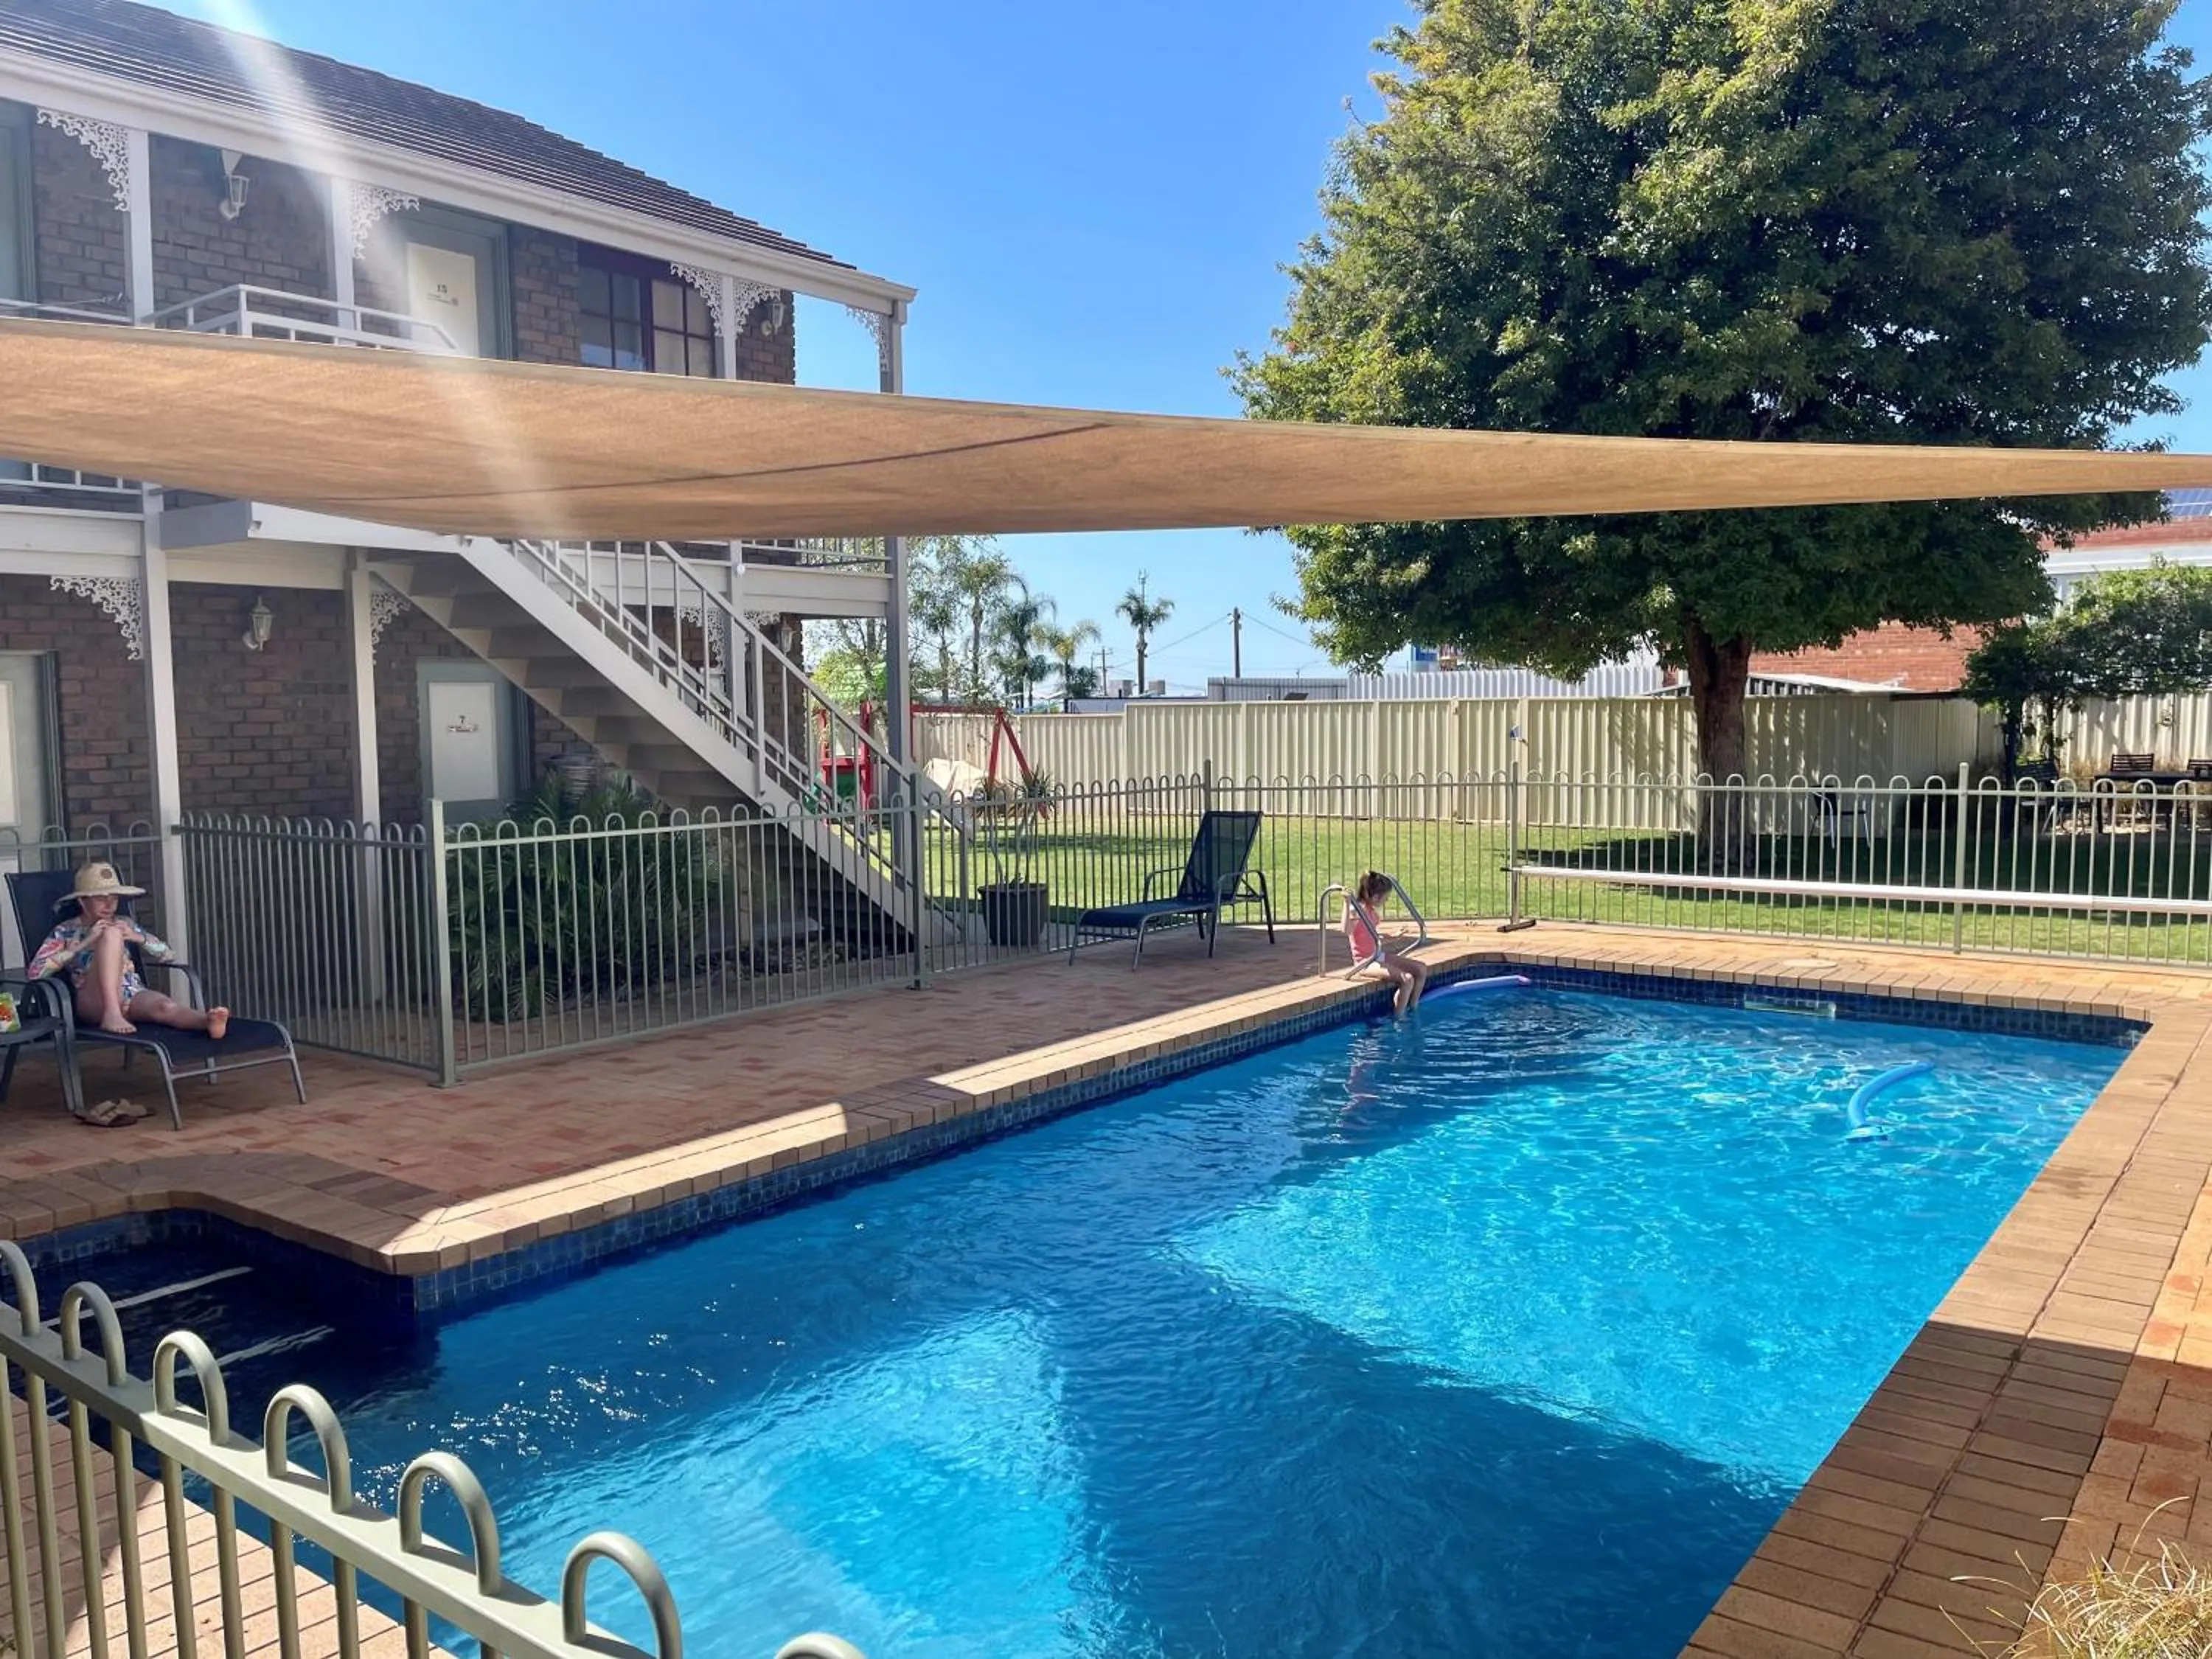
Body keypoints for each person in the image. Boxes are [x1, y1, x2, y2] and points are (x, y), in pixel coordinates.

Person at [29, 863, 228, 1040]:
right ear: (83, 901)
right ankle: (111, 1013)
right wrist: (83, 944)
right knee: (112, 934)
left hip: (132, 994)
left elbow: (168, 955)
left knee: (165, 1007)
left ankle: (207, 1022)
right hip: (92, 1000)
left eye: (114, 898)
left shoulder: (124, 923)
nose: (110, 905)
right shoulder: (66, 931)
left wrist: (137, 937)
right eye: (101, 899)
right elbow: (35, 973)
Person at [1345, 870, 1428, 1013]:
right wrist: (1346, 904)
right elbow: (1346, 930)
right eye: (1386, 898)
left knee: (1421, 970)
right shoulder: (1356, 911)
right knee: (1407, 979)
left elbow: (1372, 935)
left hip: (1378, 956)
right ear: (1376, 897)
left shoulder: (1371, 911)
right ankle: (1399, 1019)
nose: (1387, 901)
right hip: (1364, 963)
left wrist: (1394, 935)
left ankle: (1413, 1009)